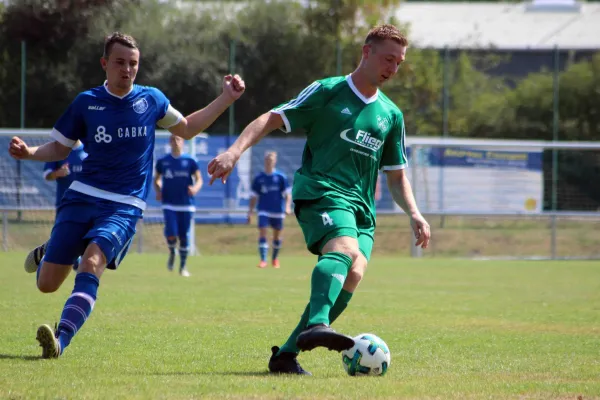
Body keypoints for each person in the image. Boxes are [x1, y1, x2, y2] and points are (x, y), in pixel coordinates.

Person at [208, 24, 430, 375]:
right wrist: (234, 152)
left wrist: (415, 213)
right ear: (366, 52)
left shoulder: (391, 115)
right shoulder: (328, 91)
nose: (393, 68)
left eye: (399, 63)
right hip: (322, 191)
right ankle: (318, 323)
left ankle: (285, 355)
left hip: (362, 210)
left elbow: (397, 174)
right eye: (388, 58)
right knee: (344, 251)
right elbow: (270, 118)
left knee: (354, 272)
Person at [9, 32, 245, 358]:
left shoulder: (151, 100)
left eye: (133, 63)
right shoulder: (85, 102)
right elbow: (60, 148)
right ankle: (52, 250)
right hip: (82, 196)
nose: (127, 69)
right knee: (47, 284)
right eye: (120, 62)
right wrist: (30, 152)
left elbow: (187, 128)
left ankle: (60, 340)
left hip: (124, 205)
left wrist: (226, 99)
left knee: (92, 262)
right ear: (105, 64)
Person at [154, 135, 202, 277]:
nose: (176, 142)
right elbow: (156, 179)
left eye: (179, 139)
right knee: (171, 233)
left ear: (183, 142)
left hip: (186, 204)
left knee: (184, 236)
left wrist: (195, 189)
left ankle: (182, 267)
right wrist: (158, 189)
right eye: (173, 139)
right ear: (170, 142)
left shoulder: (190, 161)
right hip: (169, 203)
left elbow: (199, 179)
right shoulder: (163, 161)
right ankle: (171, 252)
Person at [248, 151, 292, 269]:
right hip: (263, 209)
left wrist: (288, 206)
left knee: (276, 237)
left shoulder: (280, 177)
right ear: (264, 161)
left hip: (278, 210)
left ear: (275, 161)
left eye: (271, 160)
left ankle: (275, 259)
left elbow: (287, 194)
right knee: (262, 231)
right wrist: (250, 211)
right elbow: (254, 196)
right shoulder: (259, 178)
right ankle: (263, 260)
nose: (269, 162)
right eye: (267, 159)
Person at [43, 140, 87, 213]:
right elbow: (46, 175)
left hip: (87, 205)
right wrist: (58, 173)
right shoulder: (58, 150)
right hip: (64, 204)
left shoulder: (90, 149)